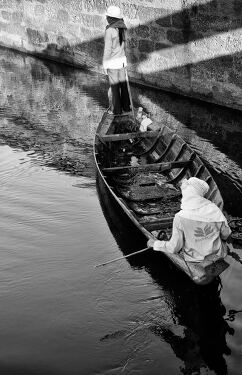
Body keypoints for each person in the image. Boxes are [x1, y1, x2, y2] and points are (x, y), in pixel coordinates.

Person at [147, 177, 231, 262]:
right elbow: (226, 234)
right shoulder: (214, 208)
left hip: (196, 260)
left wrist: (155, 244)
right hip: (219, 254)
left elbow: (174, 248)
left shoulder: (180, 217)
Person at [102, 5, 131, 115]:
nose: (106, 18)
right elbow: (124, 46)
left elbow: (108, 50)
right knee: (123, 86)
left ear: (110, 18)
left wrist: (105, 65)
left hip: (113, 63)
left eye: (107, 16)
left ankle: (117, 111)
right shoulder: (123, 27)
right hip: (122, 62)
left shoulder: (110, 30)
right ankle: (127, 108)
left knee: (114, 88)